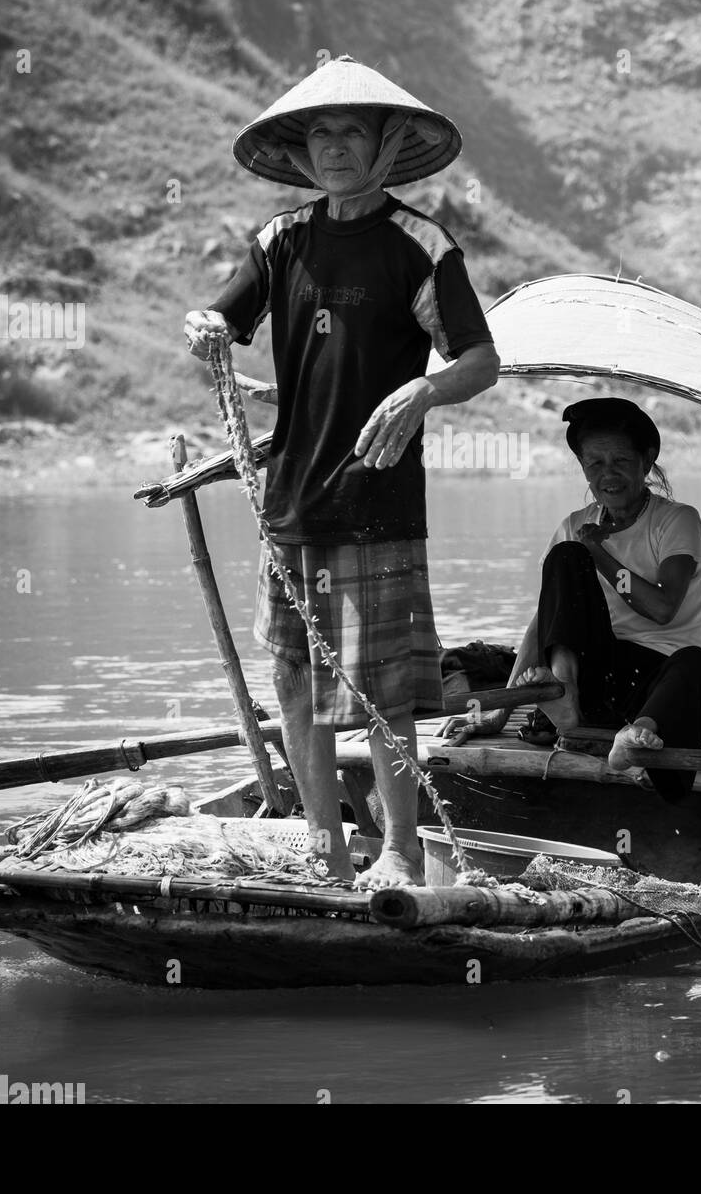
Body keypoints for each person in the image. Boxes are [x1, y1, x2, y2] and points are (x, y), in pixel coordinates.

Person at [184, 56, 499, 887]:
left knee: (383, 691)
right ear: (301, 149)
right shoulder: (282, 240)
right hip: (290, 501)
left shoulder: (418, 245)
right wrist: (204, 325)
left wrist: (422, 393)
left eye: (351, 131)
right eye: (320, 132)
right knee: (292, 675)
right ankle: (323, 847)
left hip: (377, 499)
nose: (334, 147)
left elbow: (479, 360)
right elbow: (222, 315)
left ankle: (398, 849)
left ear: (387, 143)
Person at [456, 398, 701, 799]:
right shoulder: (574, 527)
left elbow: (663, 608)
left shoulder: (676, 520)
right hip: (600, 680)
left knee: (694, 662)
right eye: (594, 464)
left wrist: (602, 555)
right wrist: (501, 708)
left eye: (620, 461)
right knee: (566, 555)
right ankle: (564, 692)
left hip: (661, 682)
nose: (607, 475)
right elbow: (545, 619)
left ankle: (636, 736)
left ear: (646, 462)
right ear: (582, 468)